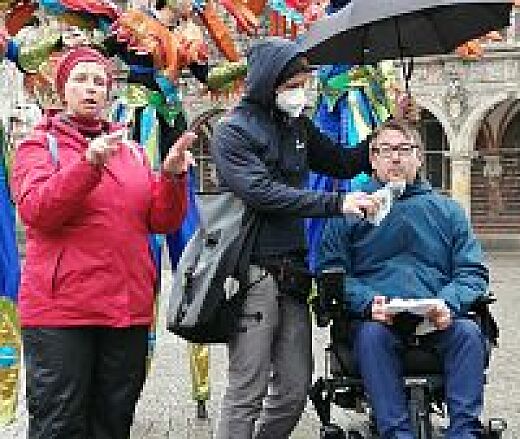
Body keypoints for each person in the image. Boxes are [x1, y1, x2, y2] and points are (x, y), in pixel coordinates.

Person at [10, 46, 195, 439]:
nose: (91, 88)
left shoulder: (130, 150)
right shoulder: (39, 146)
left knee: (113, 423)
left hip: (124, 310)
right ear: (62, 91)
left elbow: (158, 220)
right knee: (60, 425)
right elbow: (37, 210)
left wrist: (173, 179)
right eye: (81, 79)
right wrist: (88, 165)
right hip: (62, 314)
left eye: (99, 81)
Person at [210, 37, 380, 438]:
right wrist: (335, 205)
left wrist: (381, 133)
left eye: (304, 84)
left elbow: (341, 162)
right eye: (293, 85)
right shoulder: (232, 133)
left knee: (293, 388)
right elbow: (261, 191)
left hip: (293, 272)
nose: (300, 93)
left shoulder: (298, 126)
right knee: (247, 389)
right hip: (252, 271)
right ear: (270, 83)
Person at [318, 119, 489, 439]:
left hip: (439, 317)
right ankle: (395, 432)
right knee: (371, 337)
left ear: (419, 157)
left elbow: (472, 272)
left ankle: (464, 431)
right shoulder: (351, 211)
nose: (395, 158)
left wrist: (448, 304)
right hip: (378, 319)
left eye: (403, 150)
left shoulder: (448, 211)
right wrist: (368, 302)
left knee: (468, 332)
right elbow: (332, 274)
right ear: (373, 159)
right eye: (386, 151)